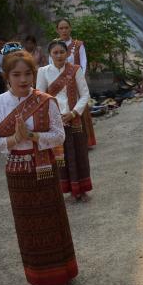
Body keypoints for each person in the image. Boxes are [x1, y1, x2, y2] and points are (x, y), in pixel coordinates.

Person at [0, 43, 77, 285]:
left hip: (44, 168)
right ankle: (39, 277)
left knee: (51, 220)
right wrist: (14, 140)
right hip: (17, 172)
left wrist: (33, 136)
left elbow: (58, 136)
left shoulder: (45, 101)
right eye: (17, 75)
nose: (23, 79)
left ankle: (60, 274)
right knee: (29, 227)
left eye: (28, 74)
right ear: (7, 77)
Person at [36, 40, 92, 202]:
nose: (59, 55)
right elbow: (40, 97)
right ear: (50, 55)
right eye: (56, 52)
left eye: (62, 52)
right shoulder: (43, 71)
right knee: (60, 158)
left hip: (74, 119)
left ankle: (80, 189)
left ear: (67, 54)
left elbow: (85, 95)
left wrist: (74, 113)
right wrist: (55, 117)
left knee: (79, 154)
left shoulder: (75, 70)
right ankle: (65, 189)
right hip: (55, 121)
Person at [54, 19, 96, 149]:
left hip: (77, 83)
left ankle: (85, 141)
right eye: (61, 28)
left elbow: (83, 63)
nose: (64, 30)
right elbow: (52, 64)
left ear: (70, 29)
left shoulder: (78, 45)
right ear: (57, 30)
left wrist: (78, 80)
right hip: (60, 84)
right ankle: (69, 142)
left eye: (66, 27)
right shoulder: (54, 46)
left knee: (80, 108)